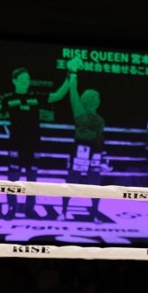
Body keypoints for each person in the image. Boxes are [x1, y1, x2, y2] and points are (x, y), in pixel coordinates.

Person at [0, 57, 81, 218]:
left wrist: (70, 73)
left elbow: (58, 95)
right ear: (14, 81)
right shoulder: (8, 100)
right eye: (22, 79)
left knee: (32, 178)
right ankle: (12, 208)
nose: (26, 81)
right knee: (13, 178)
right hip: (15, 145)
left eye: (27, 79)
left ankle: (30, 208)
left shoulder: (35, 97)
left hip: (34, 144)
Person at [60, 82, 108, 222]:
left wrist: (103, 156)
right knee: (73, 179)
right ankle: (64, 211)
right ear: (86, 100)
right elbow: (73, 95)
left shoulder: (99, 119)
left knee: (94, 181)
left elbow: (100, 138)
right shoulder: (80, 112)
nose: (95, 100)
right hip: (81, 149)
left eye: (96, 98)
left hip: (94, 150)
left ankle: (94, 213)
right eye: (92, 98)